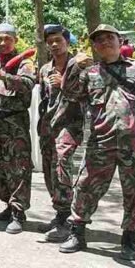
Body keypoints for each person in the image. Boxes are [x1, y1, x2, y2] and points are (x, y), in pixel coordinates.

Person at [59, 25, 135, 260]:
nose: (105, 42)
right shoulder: (89, 73)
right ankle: (77, 232)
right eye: (99, 40)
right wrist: (74, 66)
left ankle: (129, 239)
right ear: (94, 47)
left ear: (120, 41)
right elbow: (69, 93)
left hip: (134, 144)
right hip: (100, 142)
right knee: (86, 187)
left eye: (110, 38)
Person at [36, 25, 92, 242]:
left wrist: (64, 82)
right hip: (48, 125)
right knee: (49, 169)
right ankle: (59, 213)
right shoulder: (44, 69)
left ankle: (67, 218)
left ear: (67, 41)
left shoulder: (80, 64)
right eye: (50, 42)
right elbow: (44, 99)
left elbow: (89, 91)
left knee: (61, 163)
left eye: (58, 40)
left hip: (70, 124)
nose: (54, 45)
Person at [0, 23, 37, 235]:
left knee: (18, 169)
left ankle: (18, 213)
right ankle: (7, 205)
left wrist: (3, 76)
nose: (3, 43)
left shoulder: (24, 62)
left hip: (14, 125)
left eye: (7, 39)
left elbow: (28, 84)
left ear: (15, 40)